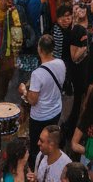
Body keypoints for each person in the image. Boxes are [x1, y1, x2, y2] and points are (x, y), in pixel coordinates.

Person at [21, 35, 67, 166]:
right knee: (52, 139)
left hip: (40, 116)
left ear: (39, 49)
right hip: (56, 110)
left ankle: (36, 167)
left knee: (38, 145)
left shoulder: (37, 74)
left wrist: (24, 90)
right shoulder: (61, 64)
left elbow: (32, 100)